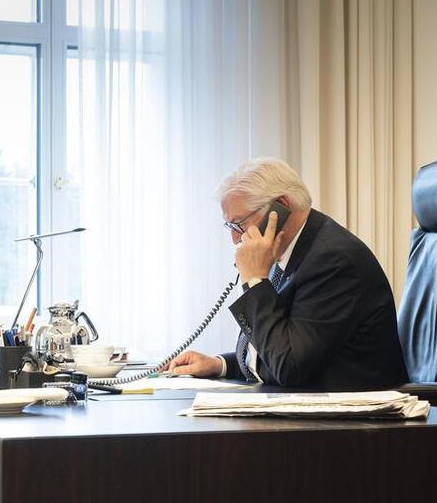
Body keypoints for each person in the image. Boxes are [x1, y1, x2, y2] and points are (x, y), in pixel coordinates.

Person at [166, 157, 410, 391]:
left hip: (351, 424)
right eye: (229, 226)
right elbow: (279, 345)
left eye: (239, 223)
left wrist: (254, 281)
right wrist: (220, 365)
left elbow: (290, 366)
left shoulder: (333, 261)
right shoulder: (287, 250)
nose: (235, 238)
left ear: (280, 207)